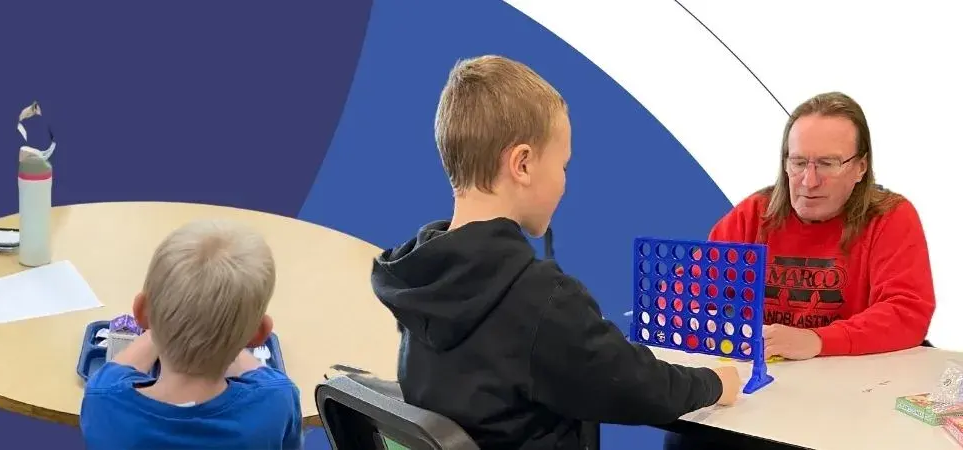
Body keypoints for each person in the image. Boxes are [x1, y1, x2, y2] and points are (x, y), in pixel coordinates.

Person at [369, 55, 741, 449]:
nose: (564, 183)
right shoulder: (537, 298)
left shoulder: (421, 277)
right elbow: (638, 386)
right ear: (523, 164)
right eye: (562, 165)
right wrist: (716, 382)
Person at [706, 92, 935, 360]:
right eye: (799, 163)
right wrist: (706, 322)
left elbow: (906, 314)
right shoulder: (753, 214)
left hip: (854, 383)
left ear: (861, 167)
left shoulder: (890, 217)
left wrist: (817, 340)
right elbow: (685, 291)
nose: (809, 181)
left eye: (828, 164)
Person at [78, 220, 302, 449]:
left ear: (141, 312)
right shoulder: (276, 402)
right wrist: (227, 332)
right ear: (259, 334)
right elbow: (267, 380)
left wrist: (164, 324)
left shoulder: (104, 401)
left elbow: (111, 373)